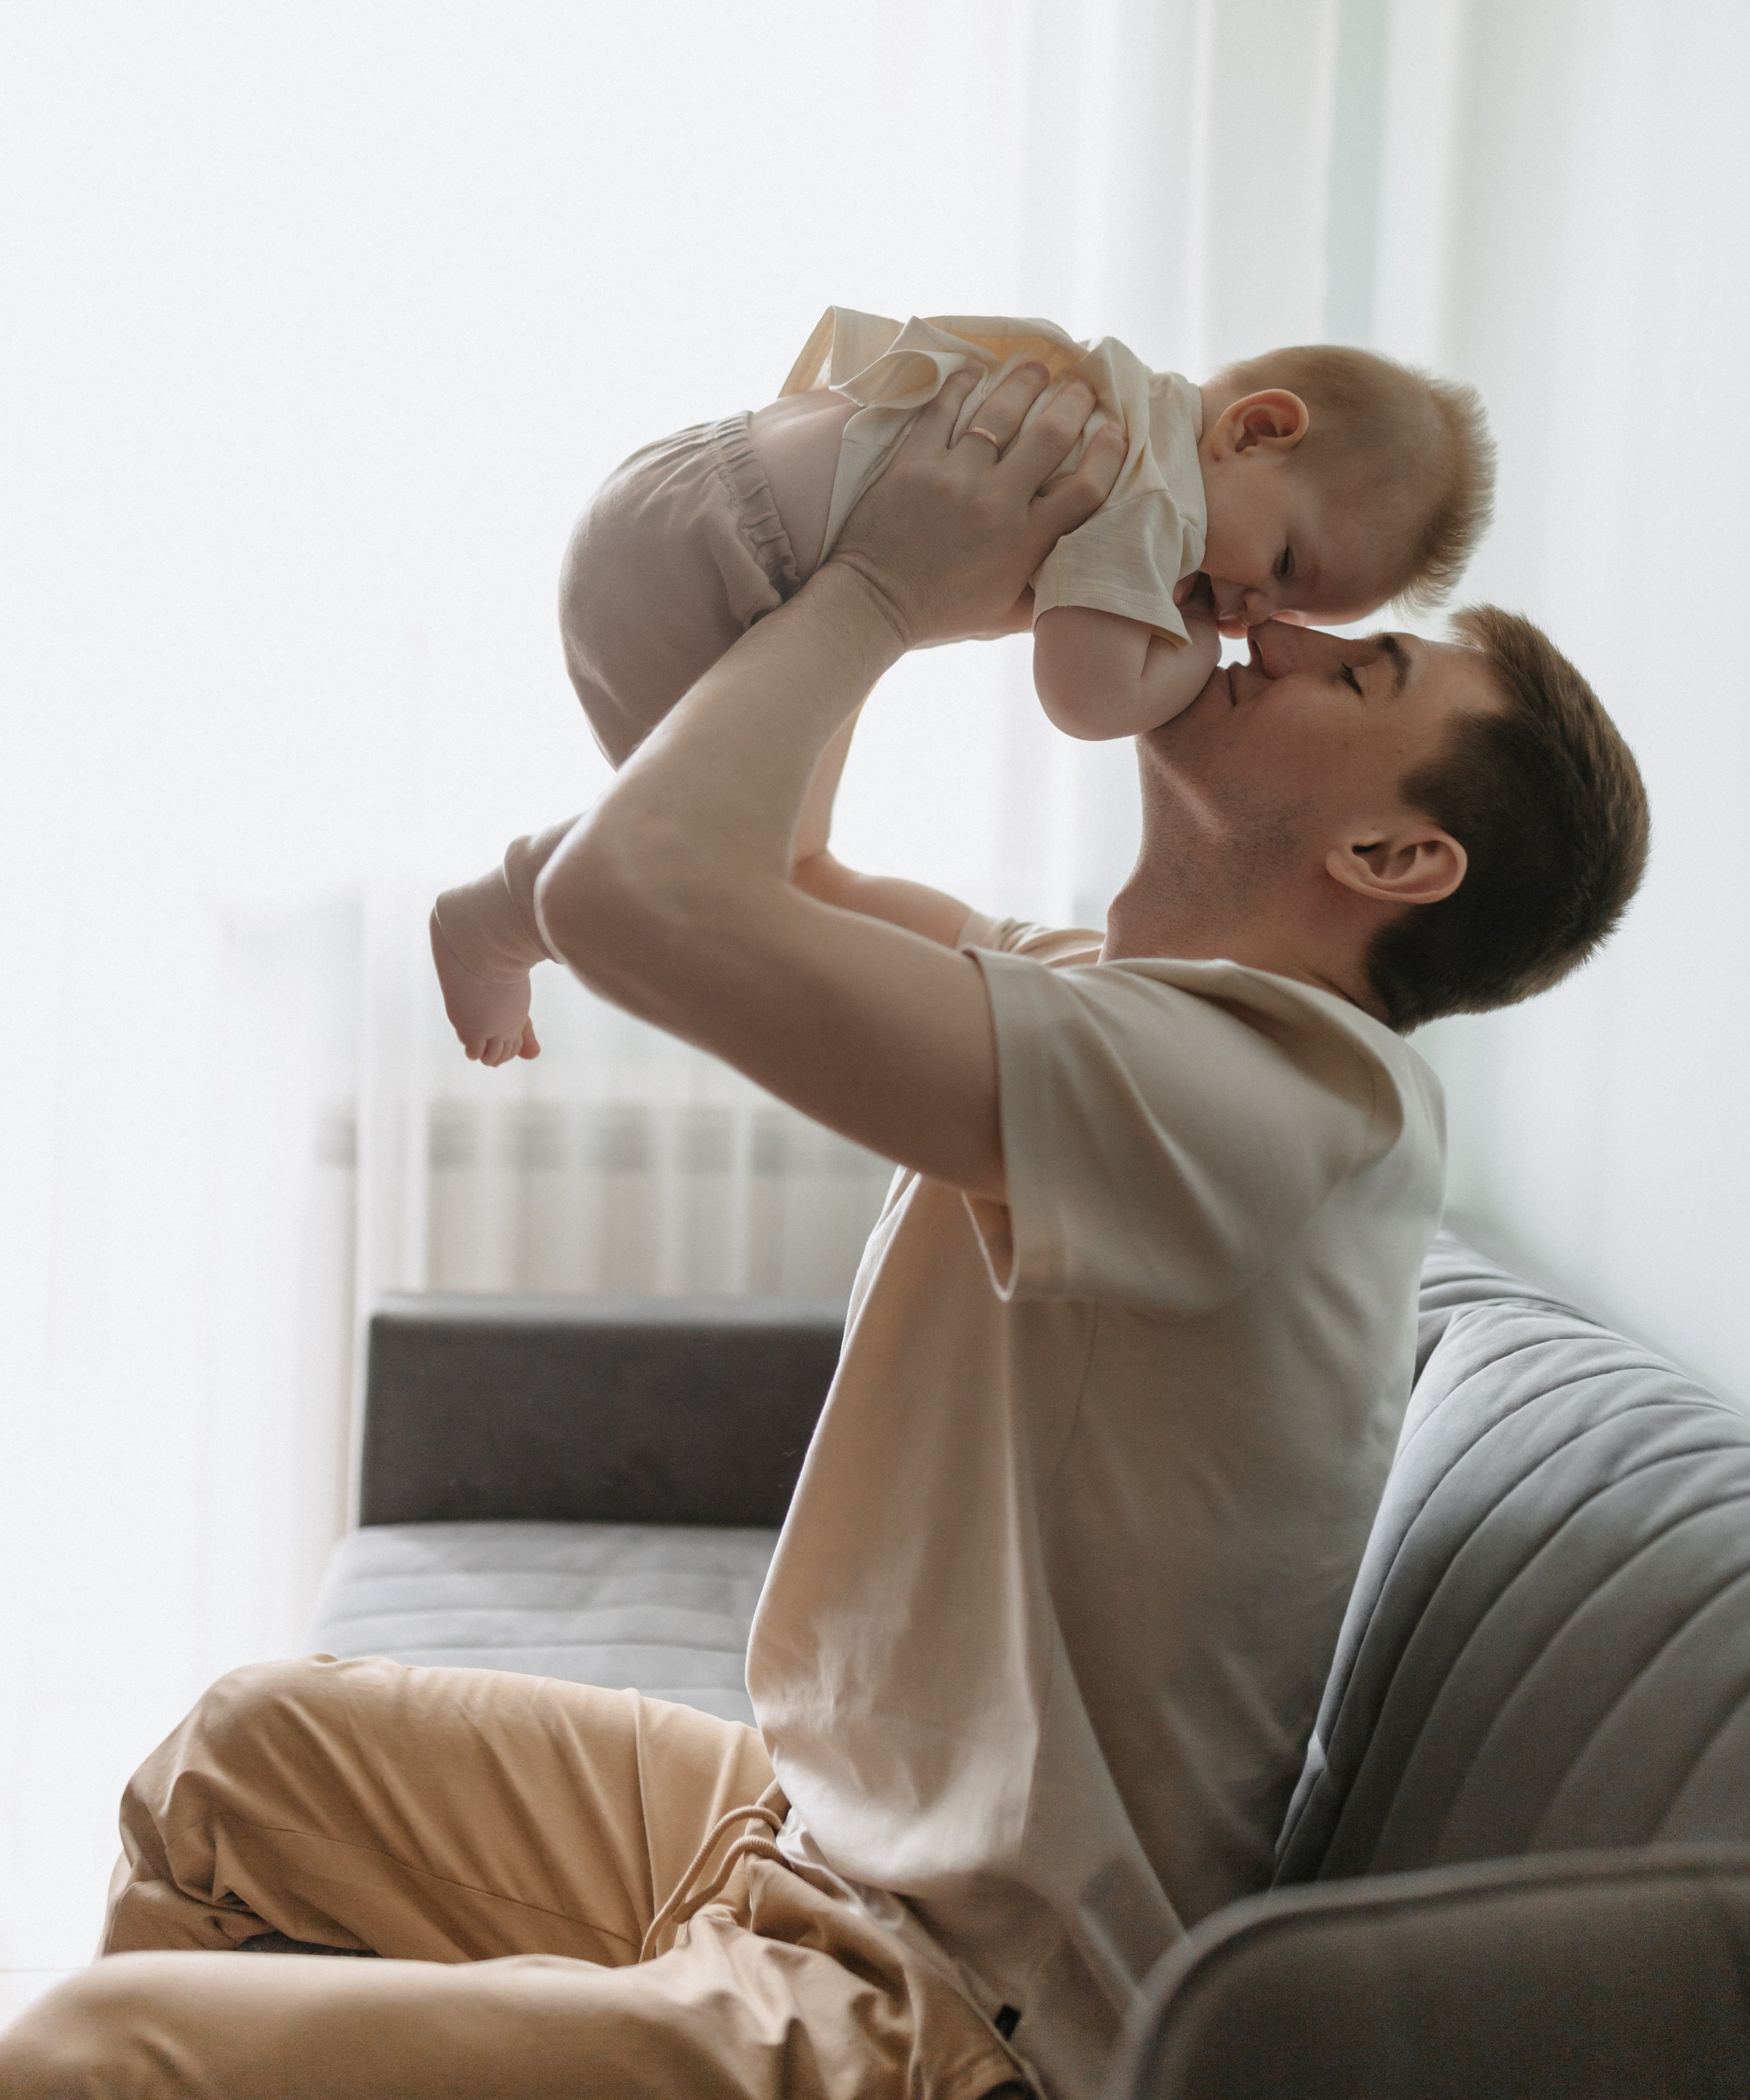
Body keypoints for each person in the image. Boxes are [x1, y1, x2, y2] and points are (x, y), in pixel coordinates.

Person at [3, 363, 1646, 2100]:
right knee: (240, 1765)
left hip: (956, 2013)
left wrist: (875, 595)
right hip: (804, 1831)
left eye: (1358, 666)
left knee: (93, 2056)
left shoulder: (1282, 1111)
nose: (1271, 639)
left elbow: (647, 902)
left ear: (1397, 854)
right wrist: (897, 552)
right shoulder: (1130, 1015)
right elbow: (772, 880)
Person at [431, 306, 1494, 1066]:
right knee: (695, 863)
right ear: (1257, 431)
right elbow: (1085, 695)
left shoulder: (1137, 426)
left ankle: (509, 909)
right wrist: (1183, 642)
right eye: (1288, 575)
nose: (1254, 623)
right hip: (722, 563)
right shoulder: (1155, 495)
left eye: (1297, 616)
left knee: (787, 868)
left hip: (705, 516)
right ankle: (497, 914)